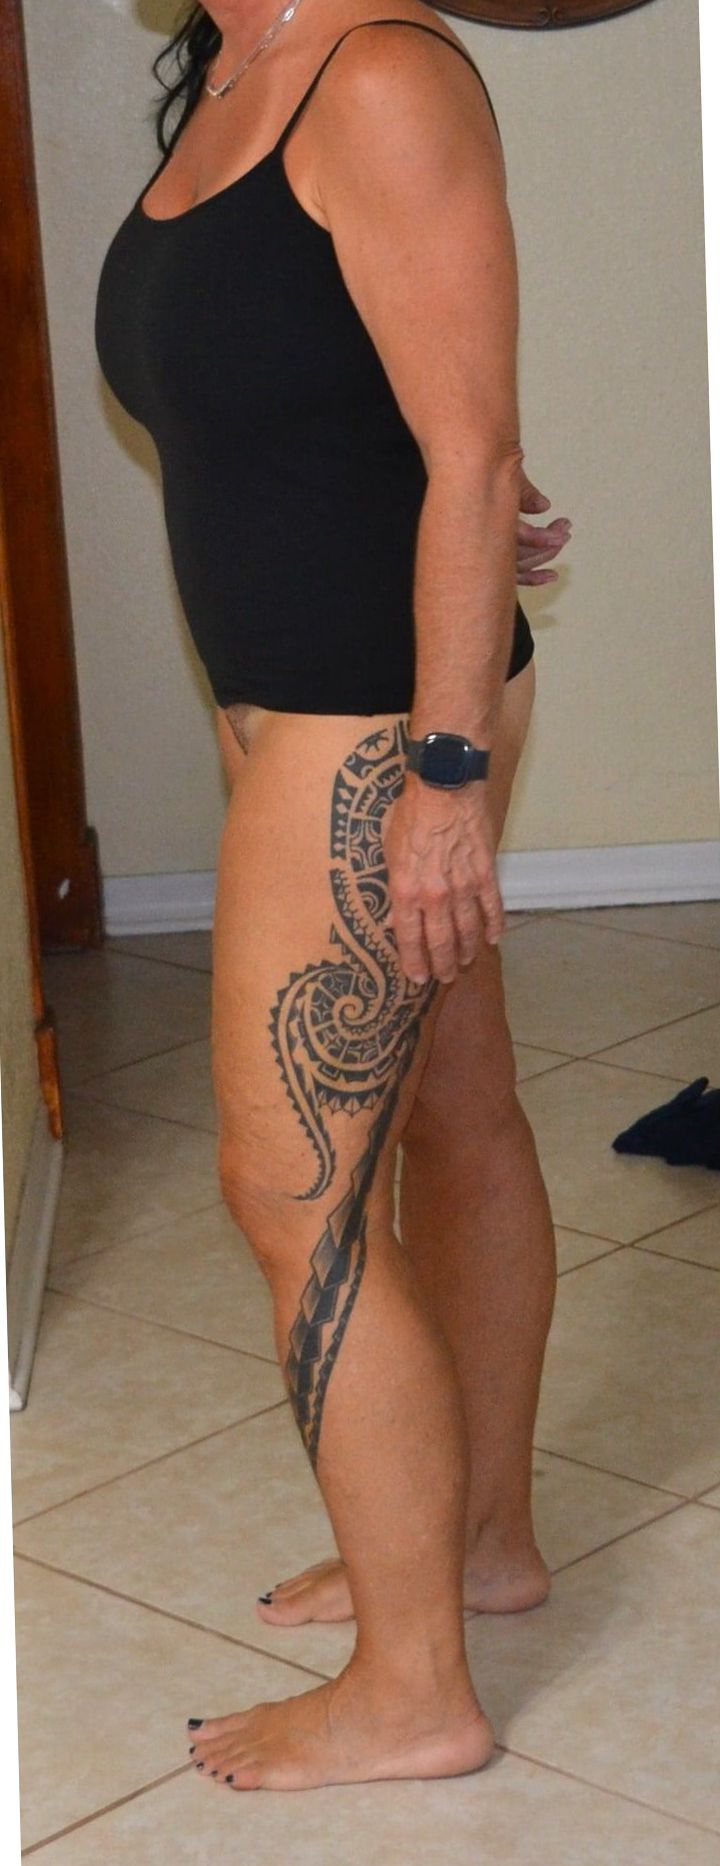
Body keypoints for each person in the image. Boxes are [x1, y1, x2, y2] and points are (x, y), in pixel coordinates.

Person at [95, 0, 570, 1794]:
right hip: (334, 703)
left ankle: (414, 1686)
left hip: (377, 724)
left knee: (290, 1189)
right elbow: (340, 392)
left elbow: (473, 447)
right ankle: (481, 1540)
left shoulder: (378, 73)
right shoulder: (232, 68)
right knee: (455, 1115)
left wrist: (443, 780)